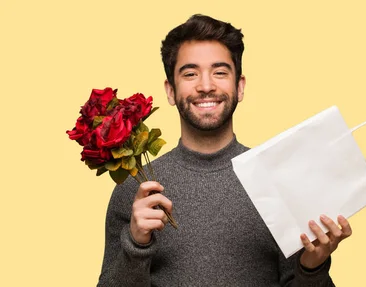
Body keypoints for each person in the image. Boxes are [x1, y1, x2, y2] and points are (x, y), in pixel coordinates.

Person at [97, 14, 352, 286]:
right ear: (170, 91)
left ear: (239, 86)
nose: (206, 86)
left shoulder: (276, 179)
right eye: (190, 73)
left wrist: (312, 268)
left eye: (219, 72)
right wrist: (136, 244)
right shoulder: (137, 190)